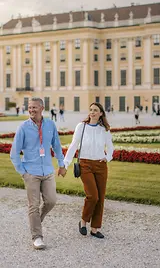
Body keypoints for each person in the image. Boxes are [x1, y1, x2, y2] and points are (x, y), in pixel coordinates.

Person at [10, 97, 66, 250]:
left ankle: (36, 221)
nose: (31, 110)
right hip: (31, 173)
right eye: (29, 107)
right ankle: (37, 237)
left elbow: (57, 146)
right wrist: (23, 172)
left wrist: (61, 164)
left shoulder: (50, 125)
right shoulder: (23, 127)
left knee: (51, 201)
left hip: (47, 171)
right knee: (33, 205)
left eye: (34, 107)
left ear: (42, 108)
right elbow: (14, 153)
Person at [64, 102, 114, 239]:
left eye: (95, 110)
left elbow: (110, 147)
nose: (92, 112)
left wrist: (107, 157)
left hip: (100, 165)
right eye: (90, 109)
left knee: (100, 198)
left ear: (101, 113)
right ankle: (83, 221)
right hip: (85, 164)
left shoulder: (104, 129)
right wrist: (65, 163)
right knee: (93, 196)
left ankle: (94, 228)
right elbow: (73, 145)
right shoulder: (82, 126)